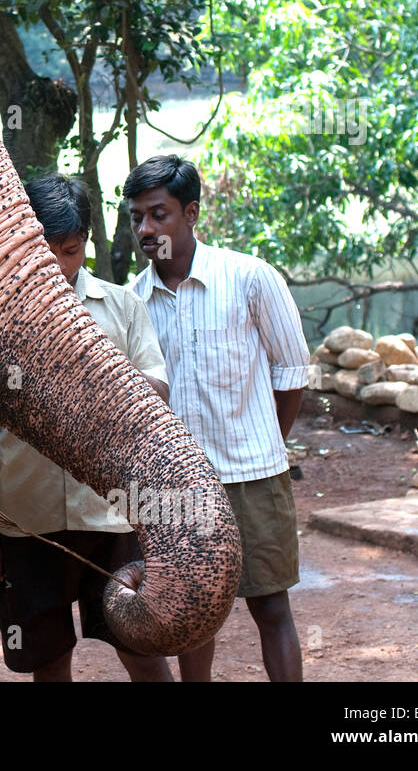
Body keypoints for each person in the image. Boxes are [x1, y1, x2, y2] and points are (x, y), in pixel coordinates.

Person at [0, 173, 173, 682]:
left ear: (85, 243)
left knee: (143, 647)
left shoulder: (122, 307)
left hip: (114, 516)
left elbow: (160, 393)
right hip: (26, 519)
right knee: (48, 658)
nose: (59, 266)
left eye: (71, 250)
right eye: (45, 251)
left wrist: (93, 369)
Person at [124, 155, 308, 682]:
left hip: (254, 477)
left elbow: (292, 371)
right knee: (190, 619)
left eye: (159, 214)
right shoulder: (132, 303)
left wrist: (267, 445)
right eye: (136, 216)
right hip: (176, 491)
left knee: (271, 610)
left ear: (192, 213)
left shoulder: (249, 278)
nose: (145, 229)